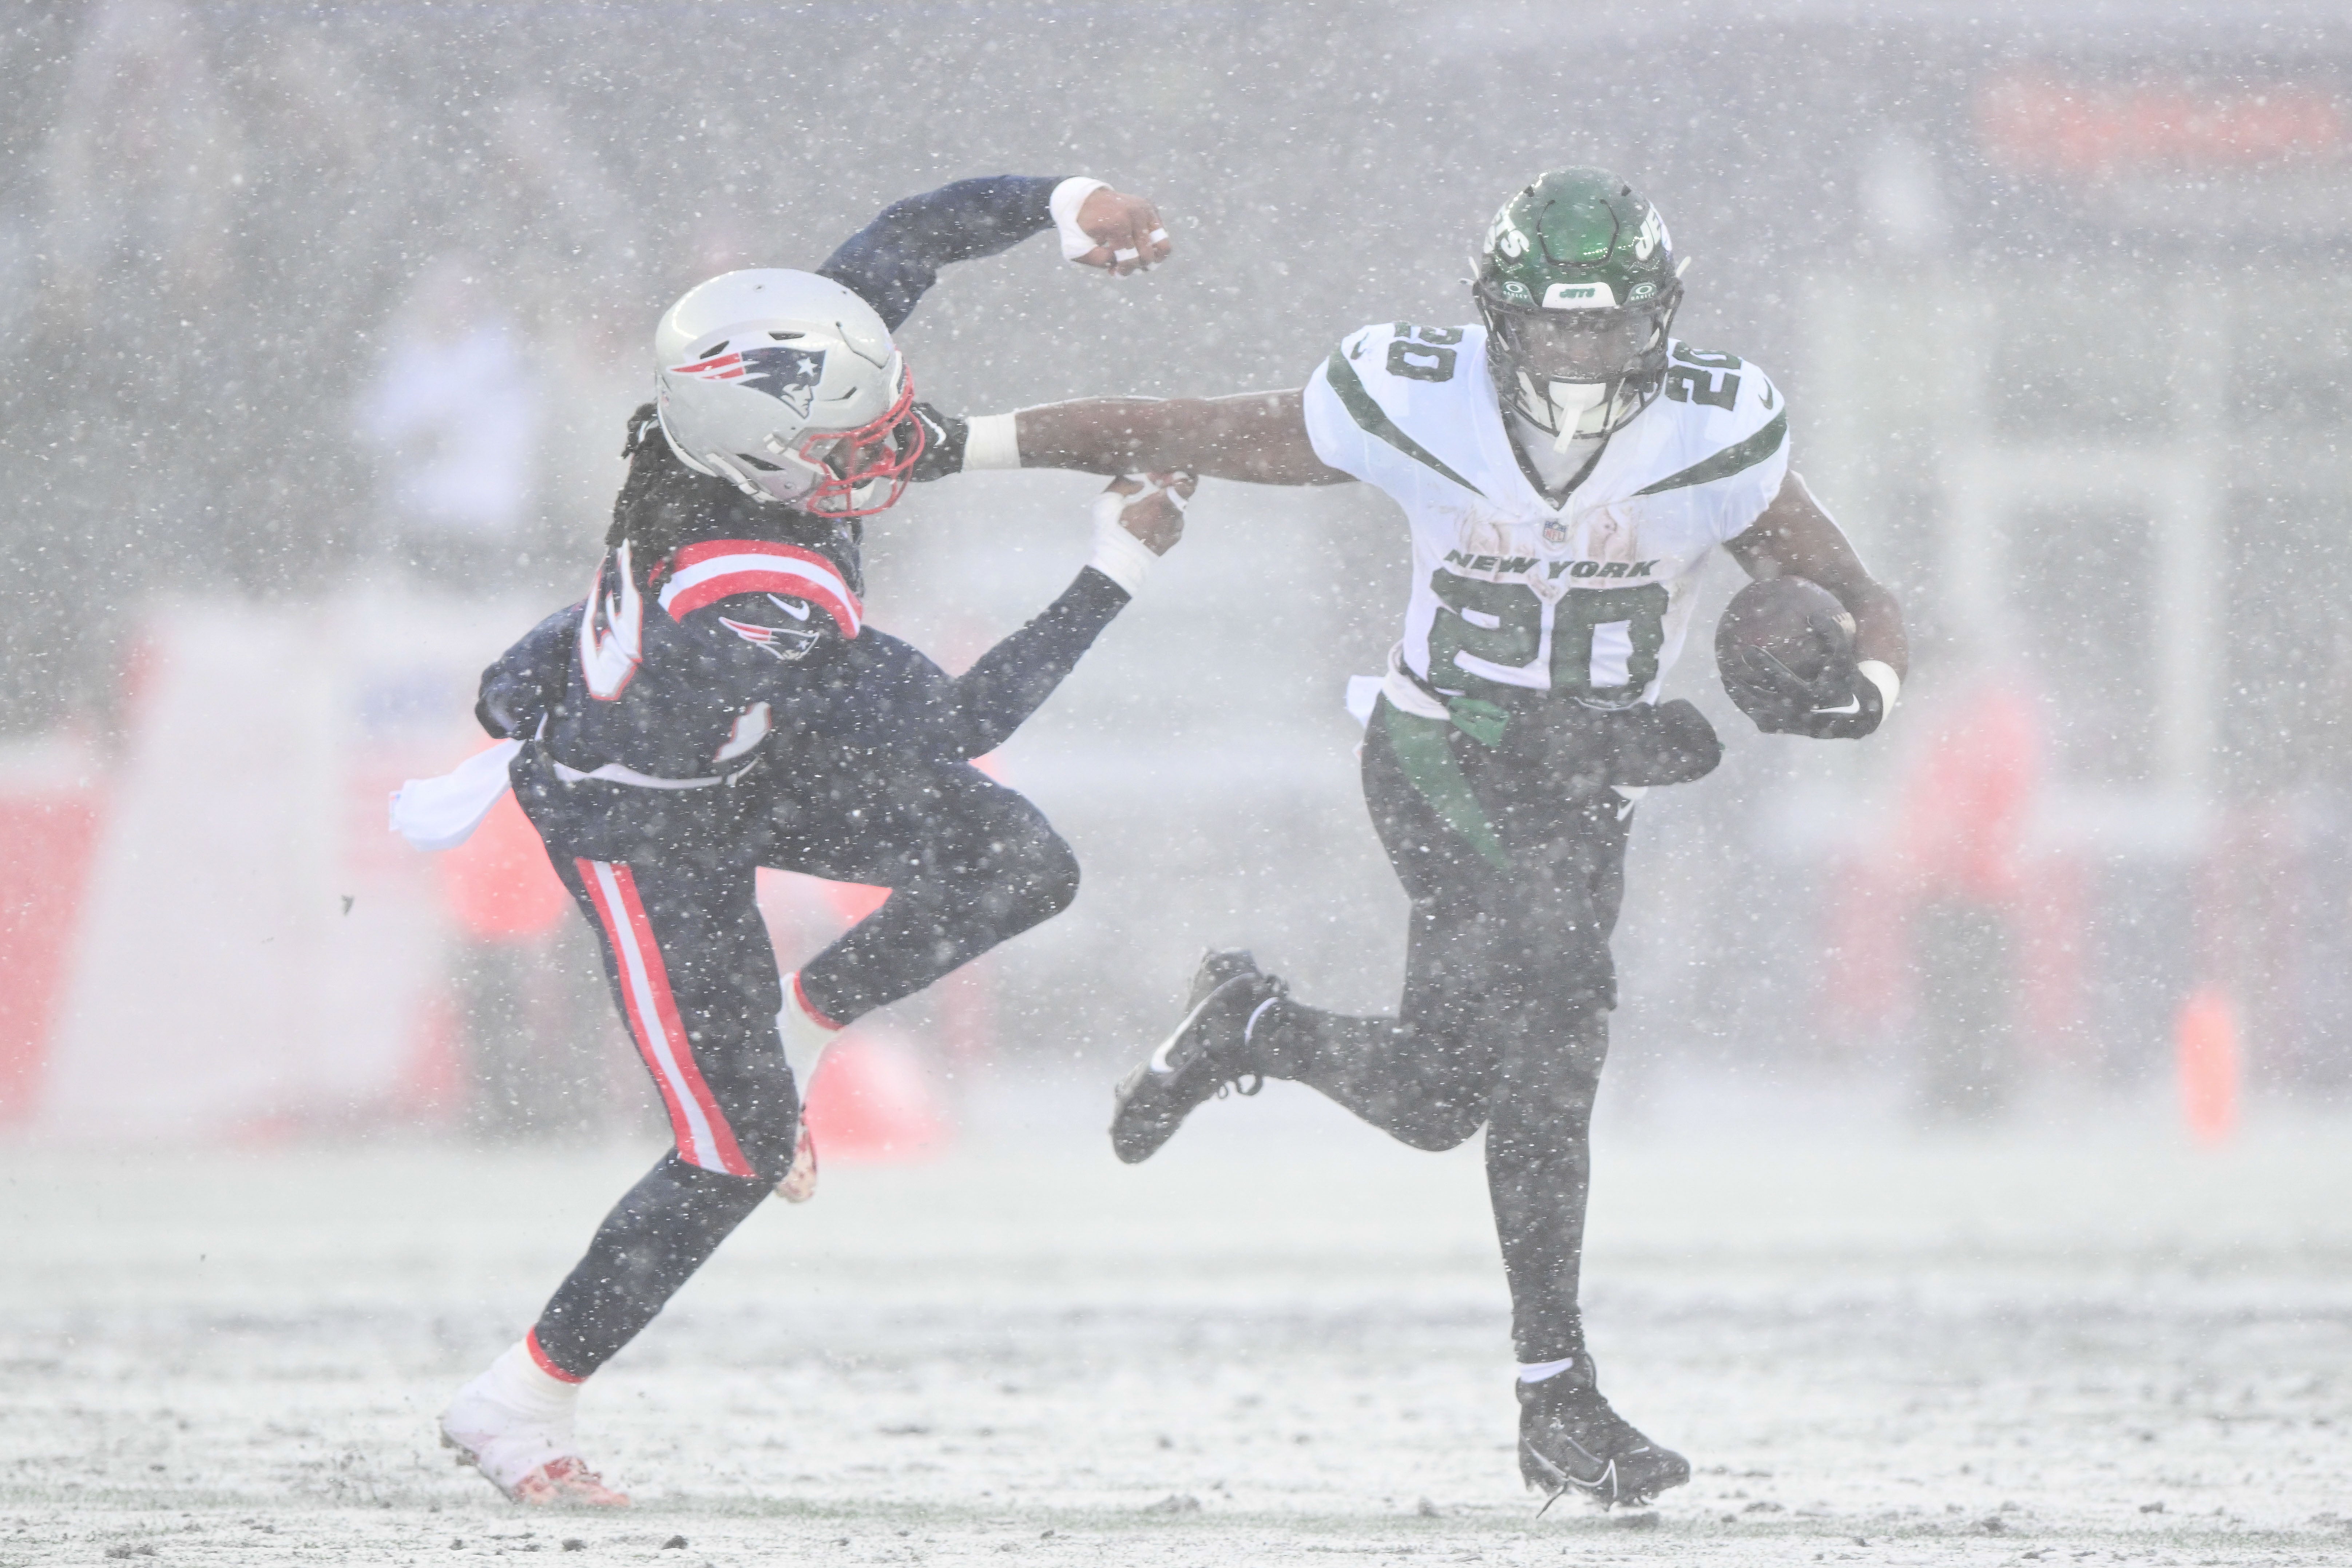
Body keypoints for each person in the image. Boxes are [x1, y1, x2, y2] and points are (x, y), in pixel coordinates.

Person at [941, 169, 1909, 1508]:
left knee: (1447, 1097)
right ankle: (1557, 1398)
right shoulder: (1415, 395)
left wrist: (1867, 691)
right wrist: (955, 441)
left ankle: (1253, 1025)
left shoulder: (1718, 429)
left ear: (1662, 321)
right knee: (1560, 1030)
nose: (1581, 353)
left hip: (1585, 789)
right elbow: (1186, 424)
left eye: (1610, 325)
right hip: (1438, 753)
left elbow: (1857, 594)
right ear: (1500, 319)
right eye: (1557, 326)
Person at [425, 173, 1185, 1507]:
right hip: (643, 828)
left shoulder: (742, 405)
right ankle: (512, 1405)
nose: (895, 438)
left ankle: (812, 1011)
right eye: (858, 436)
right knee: (736, 1150)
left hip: (735, 750)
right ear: (767, 461)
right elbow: (958, 718)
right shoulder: (753, 586)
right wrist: (1114, 569)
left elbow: (903, 239)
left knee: (1023, 863)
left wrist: (1063, 201)